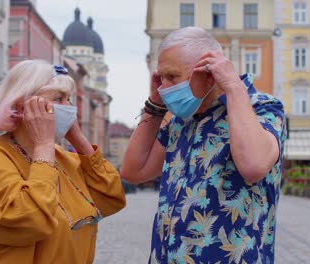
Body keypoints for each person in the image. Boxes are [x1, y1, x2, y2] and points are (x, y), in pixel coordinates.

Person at [122, 27, 286, 263]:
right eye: (162, 78)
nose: (164, 87)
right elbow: (133, 171)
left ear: (209, 73)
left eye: (172, 77)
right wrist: (155, 104)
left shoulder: (263, 108)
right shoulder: (182, 121)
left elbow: (254, 165)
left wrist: (232, 86)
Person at [0, 60, 126, 263]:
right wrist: (43, 145)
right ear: (20, 104)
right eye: (58, 98)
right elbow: (31, 220)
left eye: (69, 99)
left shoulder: (61, 157)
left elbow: (112, 197)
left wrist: (78, 138)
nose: (68, 107)